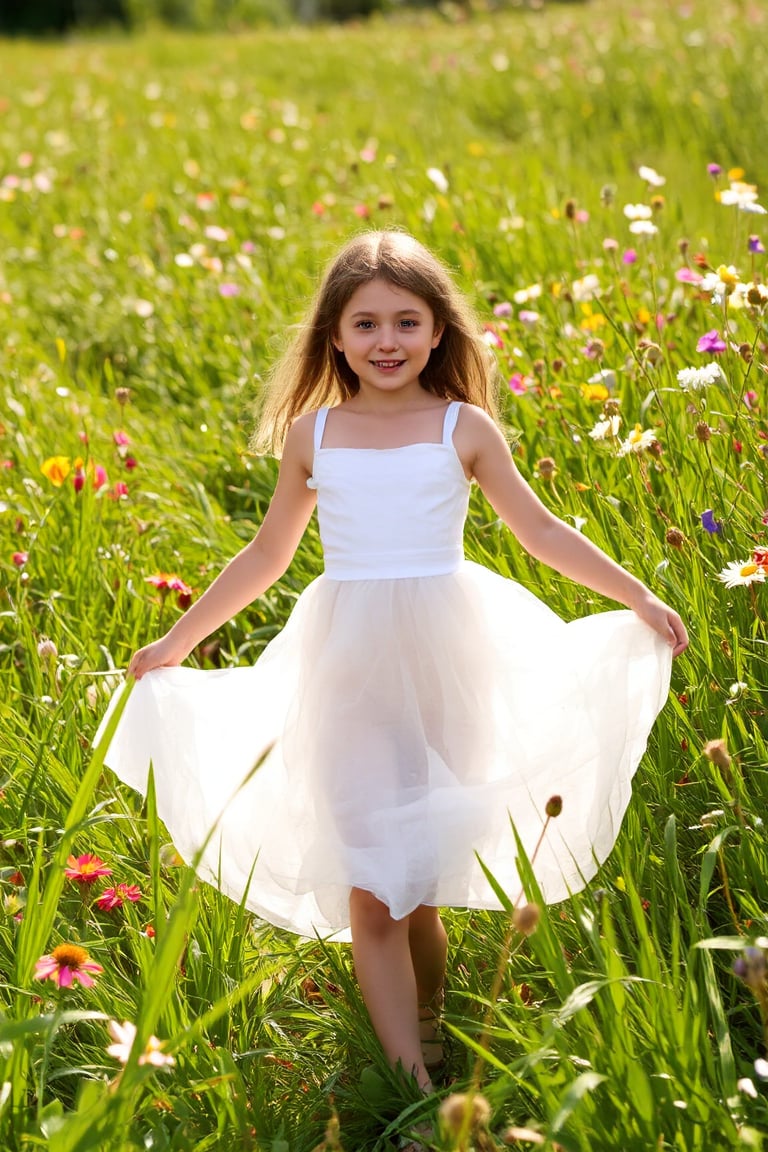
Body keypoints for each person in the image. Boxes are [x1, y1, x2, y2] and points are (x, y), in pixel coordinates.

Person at [96, 230, 688, 1101]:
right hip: (345, 664)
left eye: (406, 322)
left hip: (452, 657)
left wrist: (638, 595)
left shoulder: (462, 427)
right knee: (373, 883)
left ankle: (430, 1025)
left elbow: (541, 531)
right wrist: (175, 643)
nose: (385, 341)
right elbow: (265, 556)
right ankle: (416, 1092)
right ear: (332, 337)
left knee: (417, 884)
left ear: (438, 332)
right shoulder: (316, 435)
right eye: (364, 323)